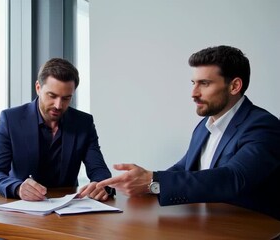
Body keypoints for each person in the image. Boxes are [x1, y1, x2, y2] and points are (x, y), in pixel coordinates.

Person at [97, 45, 280, 220]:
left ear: (234, 86)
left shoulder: (263, 126)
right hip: (206, 225)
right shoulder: (204, 126)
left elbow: (233, 178)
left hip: (252, 231)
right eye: (193, 83)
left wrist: (152, 181)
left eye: (204, 83)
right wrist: (118, 184)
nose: (193, 93)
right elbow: (183, 169)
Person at [0, 58, 114, 201]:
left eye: (66, 98)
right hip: (22, 208)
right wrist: (17, 187)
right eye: (52, 96)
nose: (58, 105)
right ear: (38, 88)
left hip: (67, 209)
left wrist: (101, 186)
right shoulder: (11, 120)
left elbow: (99, 170)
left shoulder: (83, 123)